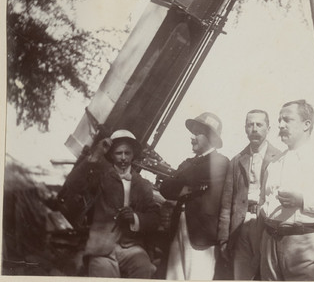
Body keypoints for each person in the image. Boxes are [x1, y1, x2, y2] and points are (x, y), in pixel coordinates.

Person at [259, 100, 314, 280]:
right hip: (270, 243)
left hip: (303, 243)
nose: (281, 125)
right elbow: (264, 201)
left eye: (287, 120)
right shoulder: (274, 163)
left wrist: (303, 201)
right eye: (279, 120)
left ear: (306, 124)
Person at [76, 129, 160, 278]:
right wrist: (96, 155)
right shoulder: (101, 177)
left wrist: (135, 217)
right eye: (118, 153)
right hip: (101, 246)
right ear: (111, 155)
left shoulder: (143, 184)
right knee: (102, 274)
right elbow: (78, 185)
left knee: (144, 267)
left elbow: (154, 217)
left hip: (131, 248)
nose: (123, 158)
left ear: (133, 155)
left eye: (127, 153)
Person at [160, 112, 230, 280]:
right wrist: (183, 185)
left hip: (201, 236)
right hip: (179, 229)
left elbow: (189, 176)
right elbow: (165, 188)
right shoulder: (189, 163)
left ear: (211, 138)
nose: (192, 137)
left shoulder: (220, 162)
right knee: (174, 277)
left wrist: (180, 181)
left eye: (197, 132)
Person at [217, 110, 281, 280]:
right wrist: (224, 239)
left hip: (267, 228)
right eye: (250, 124)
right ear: (245, 129)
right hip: (241, 225)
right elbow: (226, 203)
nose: (254, 129)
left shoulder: (280, 159)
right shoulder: (237, 161)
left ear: (268, 128)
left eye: (259, 124)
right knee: (241, 276)